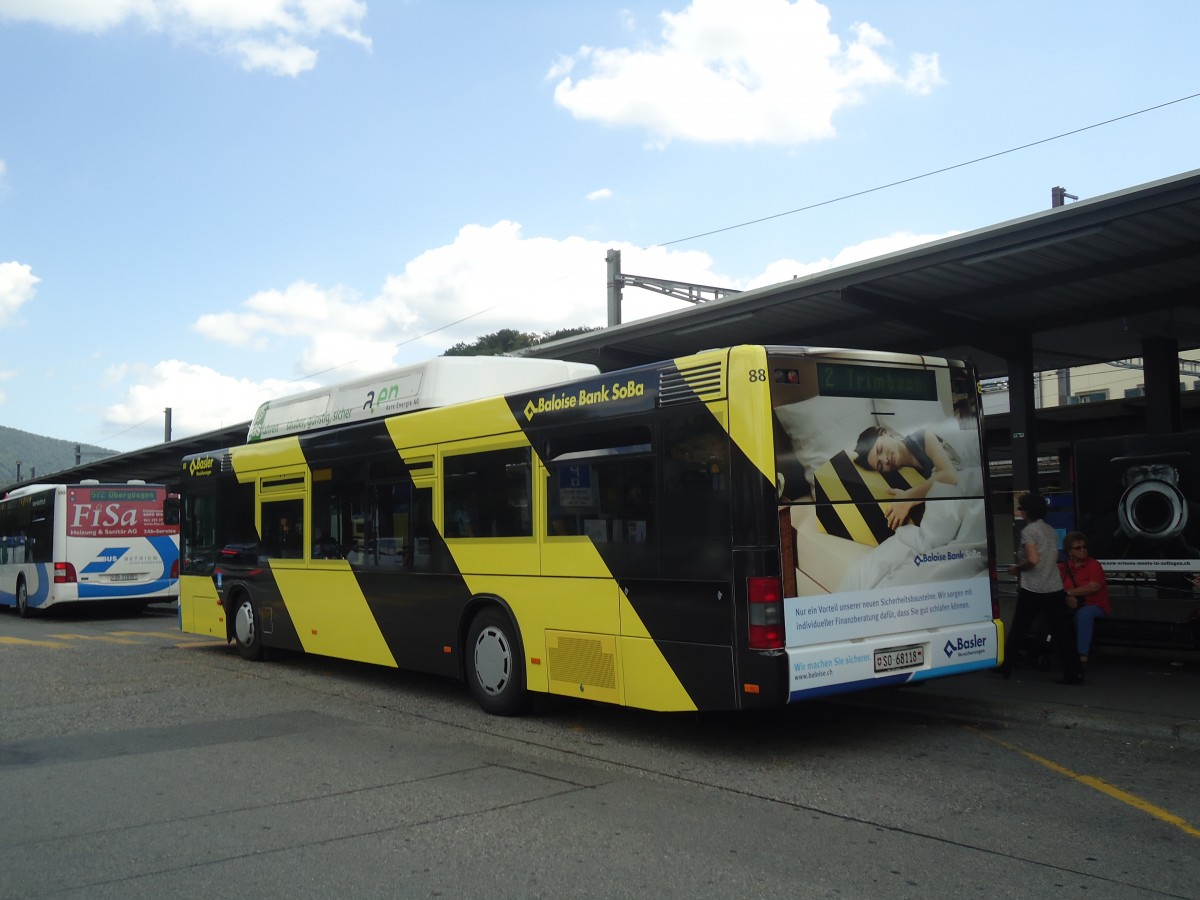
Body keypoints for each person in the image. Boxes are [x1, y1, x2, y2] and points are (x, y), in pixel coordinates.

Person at [996, 492, 1081, 683]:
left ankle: (1005, 667)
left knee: (1019, 628)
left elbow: (1033, 559)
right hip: (1054, 586)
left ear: (1026, 511)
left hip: (1033, 587)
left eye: (1021, 508)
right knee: (1062, 632)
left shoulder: (1029, 531)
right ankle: (1074, 672)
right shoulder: (1050, 530)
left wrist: (1017, 568)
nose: (1020, 511)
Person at [853, 425, 961, 530]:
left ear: (885, 433)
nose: (885, 460)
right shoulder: (904, 476)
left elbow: (950, 476)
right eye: (880, 465)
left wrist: (908, 498)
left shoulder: (922, 436)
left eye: (880, 449)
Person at [1059, 531, 1111, 677]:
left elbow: (1093, 586)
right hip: (1072, 605)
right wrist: (1066, 597)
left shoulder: (1094, 565)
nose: (1083, 550)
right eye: (1078, 548)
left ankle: (1082, 657)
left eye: (1084, 547)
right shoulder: (1063, 567)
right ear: (1069, 551)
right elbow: (1056, 586)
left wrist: (1070, 593)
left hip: (1096, 605)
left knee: (1083, 615)